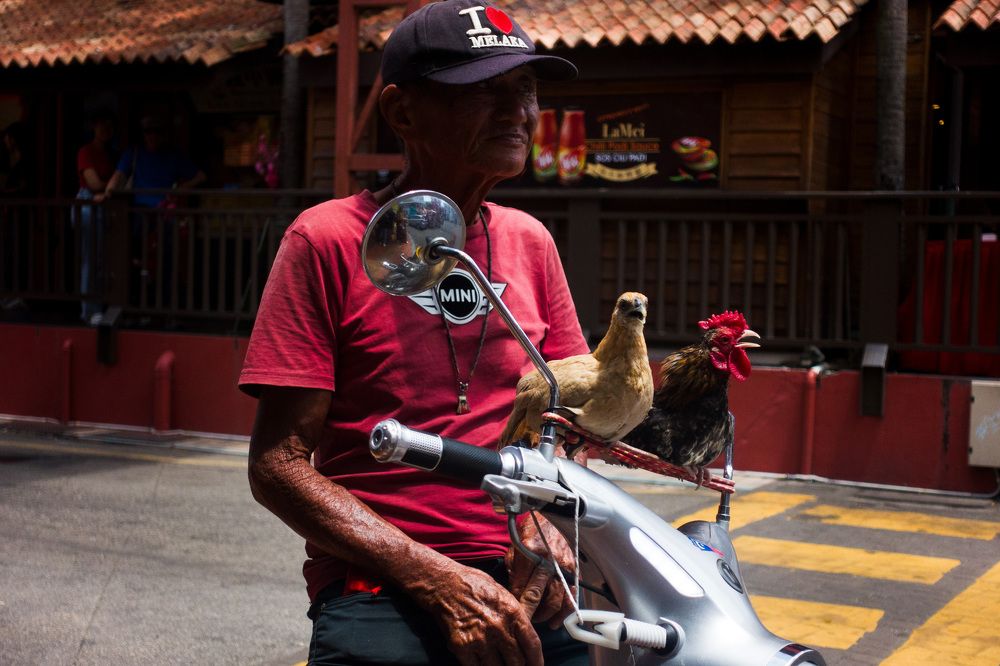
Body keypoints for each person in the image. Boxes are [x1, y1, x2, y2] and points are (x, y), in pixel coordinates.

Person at [239, 1, 591, 664]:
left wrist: (549, 516)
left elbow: (569, 419)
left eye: (526, 90)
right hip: (381, 580)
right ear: (403, 113)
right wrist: (433, 576)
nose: (518, 111)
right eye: (486, 91)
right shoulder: (327, 241)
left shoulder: (531, 242)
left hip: (529, 569)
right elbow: (277, 466)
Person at [102, 115, 205, 308]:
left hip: (164, 216)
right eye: (149, 132)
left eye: (157, 131)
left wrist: (181, 188)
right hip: (140, 217)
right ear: (143, 134)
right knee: (133, 257)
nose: (153, 136)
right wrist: (107, 193)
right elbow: (118, 177)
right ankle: (133, 300)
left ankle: (165, 306)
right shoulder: (134, 153)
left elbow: (200, 176)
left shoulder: (173, 155)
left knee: (167, 261)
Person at [74, 110, 116, 324]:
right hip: (88, 204)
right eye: (101, 124)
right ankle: (89, 310)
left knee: (101, 259)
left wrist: (107, 189)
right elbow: (94, 184)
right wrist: (111, 186)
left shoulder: (108, 153)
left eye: (109, 125)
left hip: (103, 206)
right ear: (94, 127)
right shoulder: (86, 151)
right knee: (90, 259)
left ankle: (98, 307)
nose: (105, 129)